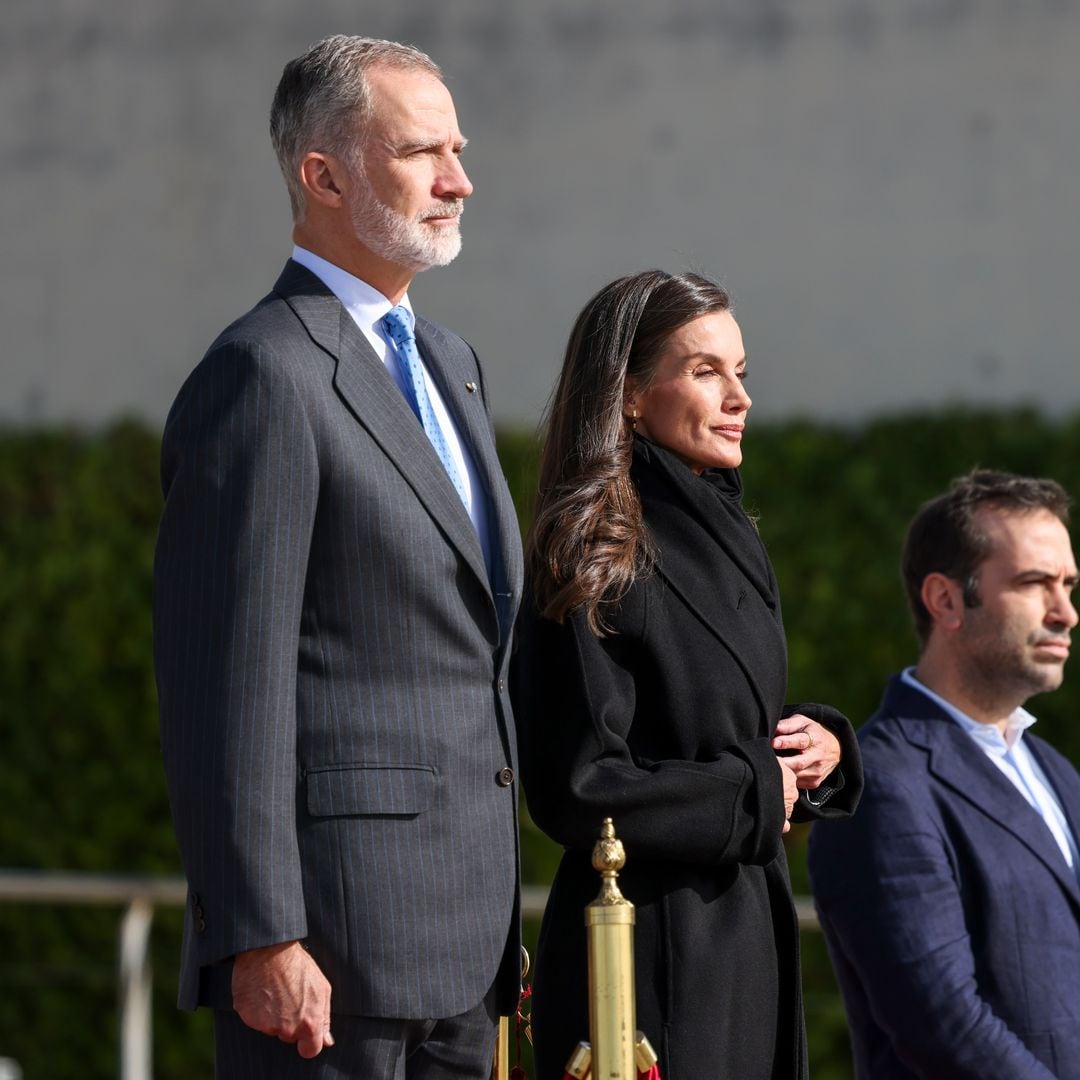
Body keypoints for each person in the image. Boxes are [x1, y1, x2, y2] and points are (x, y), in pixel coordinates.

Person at [153, 35, 523, 1078]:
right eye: (420, 153)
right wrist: (261, 931)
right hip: (328, 955)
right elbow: (224, 681)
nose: (459, 180)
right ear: (323, 176)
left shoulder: (452, 365)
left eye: (458, 148)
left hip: (467, 944)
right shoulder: (262, 373)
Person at [512, 270, 863, 1080]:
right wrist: (752, 792)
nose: (738, 396)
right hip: (646, 950)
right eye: (706, 371)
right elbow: (577, 785)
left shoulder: (728, 527)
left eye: (741, 372)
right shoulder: (590, 547)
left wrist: (815, 746)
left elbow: (715, 718)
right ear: (630, 396)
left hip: (742, 932)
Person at [808, 470, 1080, 1079]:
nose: (1066, 613)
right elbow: (942, 1024)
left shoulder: (1055, 773)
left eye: (1068, 585)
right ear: (946, 600)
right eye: (1036, 583)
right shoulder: (877, 783)